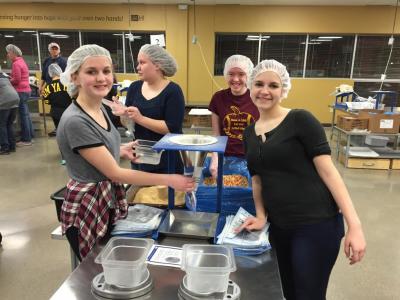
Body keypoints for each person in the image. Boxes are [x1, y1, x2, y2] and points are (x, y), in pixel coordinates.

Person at [239, 59, 366, 300]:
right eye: (259, 84)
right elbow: (257, 179)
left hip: (316, 225)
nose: (265, 91)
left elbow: (329, 172)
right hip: (279, 227)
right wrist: (261, 216)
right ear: (250, 86)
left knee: (308, 294)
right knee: (286, 290)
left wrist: (355, 226)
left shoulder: (300, 120)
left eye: (273, 86)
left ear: (283, 90)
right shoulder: (249, 132)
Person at [57, 44, 194, 260]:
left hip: (106, 198)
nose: (102, 78)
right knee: (97, 268)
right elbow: (116, 174)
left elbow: (96, 149)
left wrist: (120, 149)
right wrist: (169, 179)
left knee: (113, 264)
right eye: (91, 72)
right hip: (88, 206)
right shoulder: (76, 120)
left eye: (106, 71)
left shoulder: (99, 107)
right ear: (74, 77)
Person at [124, 44, 185, 174]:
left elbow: (171, 128)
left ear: (157, 65)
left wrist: (140, 118)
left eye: (142, 63)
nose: (138, 67)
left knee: (164, 193)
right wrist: (122, 114)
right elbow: (128, 124)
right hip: (140, 155)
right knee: (142, 193)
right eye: (138, 63)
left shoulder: (173, 91)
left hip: (166, 158)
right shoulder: (134, 88)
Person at [208, 55, 259, 178]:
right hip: (224, 156)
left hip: (251, 157)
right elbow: (216, 134)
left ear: (248, 75)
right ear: (226, 74)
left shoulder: (257, 97)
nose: (235, 79)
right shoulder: (218, 98)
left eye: (241, 74)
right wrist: (215, 158)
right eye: (231, 74)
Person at [5, 44, 34, 146]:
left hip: (21, 91)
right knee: (26, 115)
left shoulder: (16, 64)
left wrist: (8, 80)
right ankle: (30, 136)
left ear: (13, 53)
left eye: (8, 53)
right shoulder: (22, 61)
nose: (7, 55)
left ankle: (26, 139)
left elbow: (17, 80)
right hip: (26, 90)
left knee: (23, 116)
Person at [39, 42, 67, 137]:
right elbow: (43, 75)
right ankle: (58, 128)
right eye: (52, 49)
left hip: (62, 86)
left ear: (59, 50)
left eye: (56, 48)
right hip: (50, 88)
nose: (54, 50)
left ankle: (63, 128)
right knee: (55, 106)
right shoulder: (47, 61)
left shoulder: (63, 61)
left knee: (63, 106)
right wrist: (41, 87)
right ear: (49, 50)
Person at [42, 64, 72, 137]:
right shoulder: (67, 84)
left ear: (50, 73)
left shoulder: (48, 87)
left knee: (60, 131)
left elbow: (46, 100)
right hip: (69, 111)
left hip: (55, 112)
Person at [0, 66, 20, 155]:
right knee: (9, 124)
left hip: (5, 101)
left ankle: (5, 148)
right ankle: (12, 146)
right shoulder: (5, 77)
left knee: (2, 125)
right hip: (15, 99)